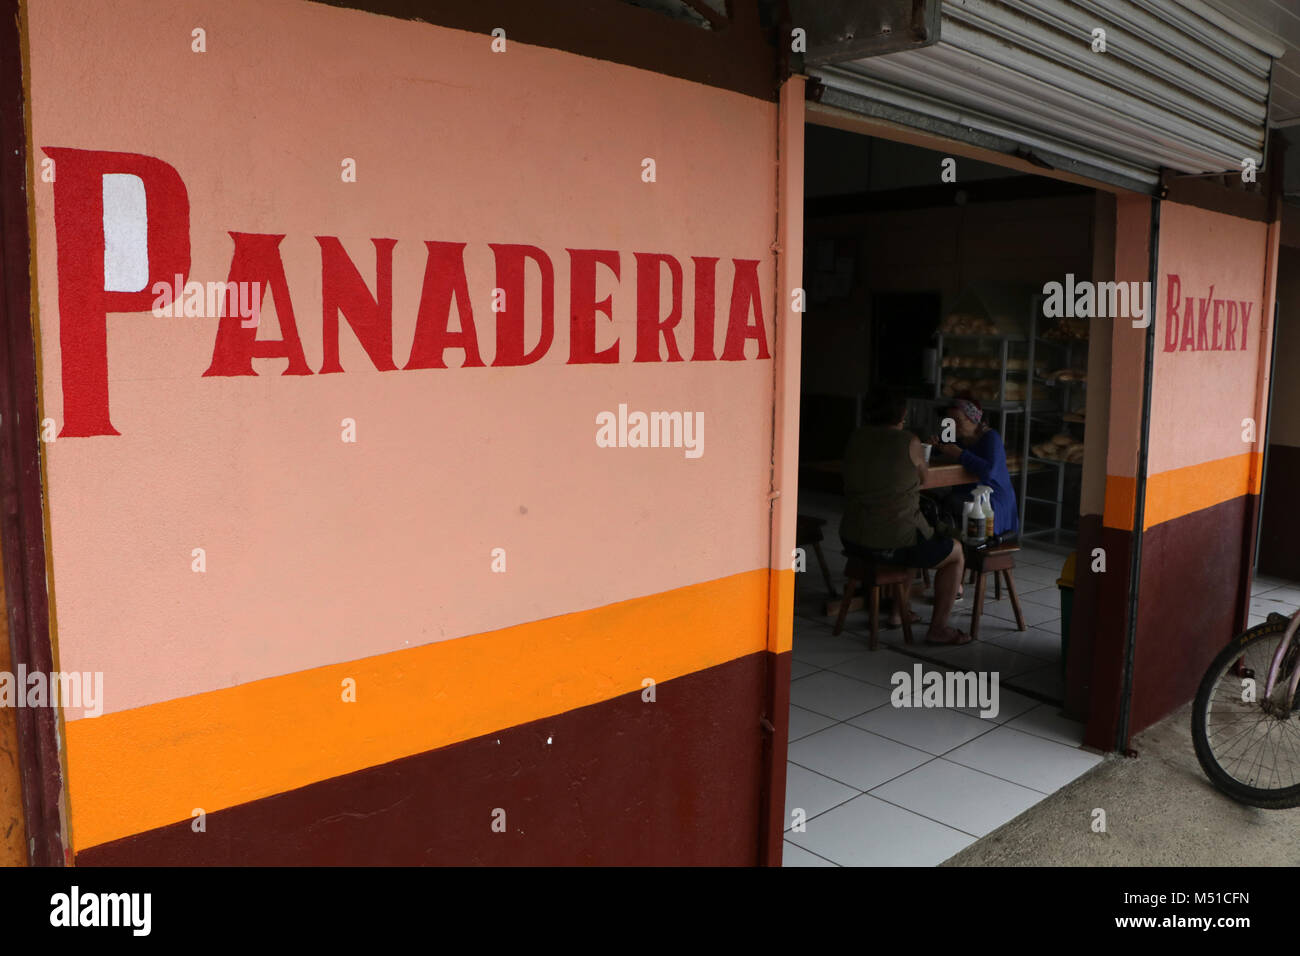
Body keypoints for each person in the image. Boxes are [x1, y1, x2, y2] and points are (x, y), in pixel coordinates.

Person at [840, 392, 971, 645]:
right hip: (892, 544)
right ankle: (938, 629)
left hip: (852, 539)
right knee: (954, 552)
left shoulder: (856, 436)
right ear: (902, 415)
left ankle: (898, 612)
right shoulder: (908, 441)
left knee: (913, 539)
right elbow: (923, 478)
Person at [928, 392, 1019, 540]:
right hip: (968, 495)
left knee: (950, 502)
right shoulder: (959, 438)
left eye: (958, 420)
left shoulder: (991, 438)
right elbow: (941, 450)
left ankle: (959, 547)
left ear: (974, 419)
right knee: (935, 501)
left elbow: (989, 472)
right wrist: (933, 446)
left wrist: (960, 455)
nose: (953, 425)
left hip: (991, 498)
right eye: (950, 421)